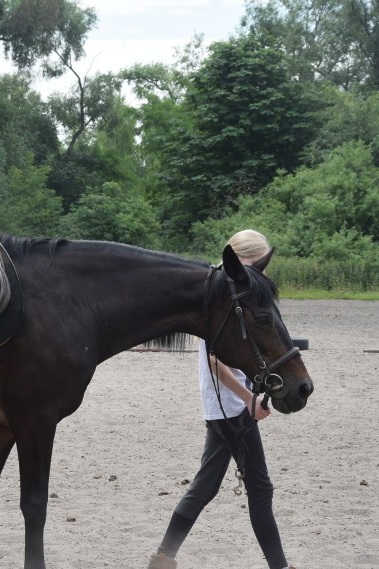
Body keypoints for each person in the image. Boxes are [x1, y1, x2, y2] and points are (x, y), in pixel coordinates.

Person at [148, 229, 294, 569]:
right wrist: (247, 399)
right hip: (229, 406)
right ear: (241, 258)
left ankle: (163, 557)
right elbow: (215, 360)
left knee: (206, 486)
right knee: (260, 488)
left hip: (223, 406)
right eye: (256, 264)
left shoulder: (229, 288)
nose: (260, 272)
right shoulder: (221, 292)